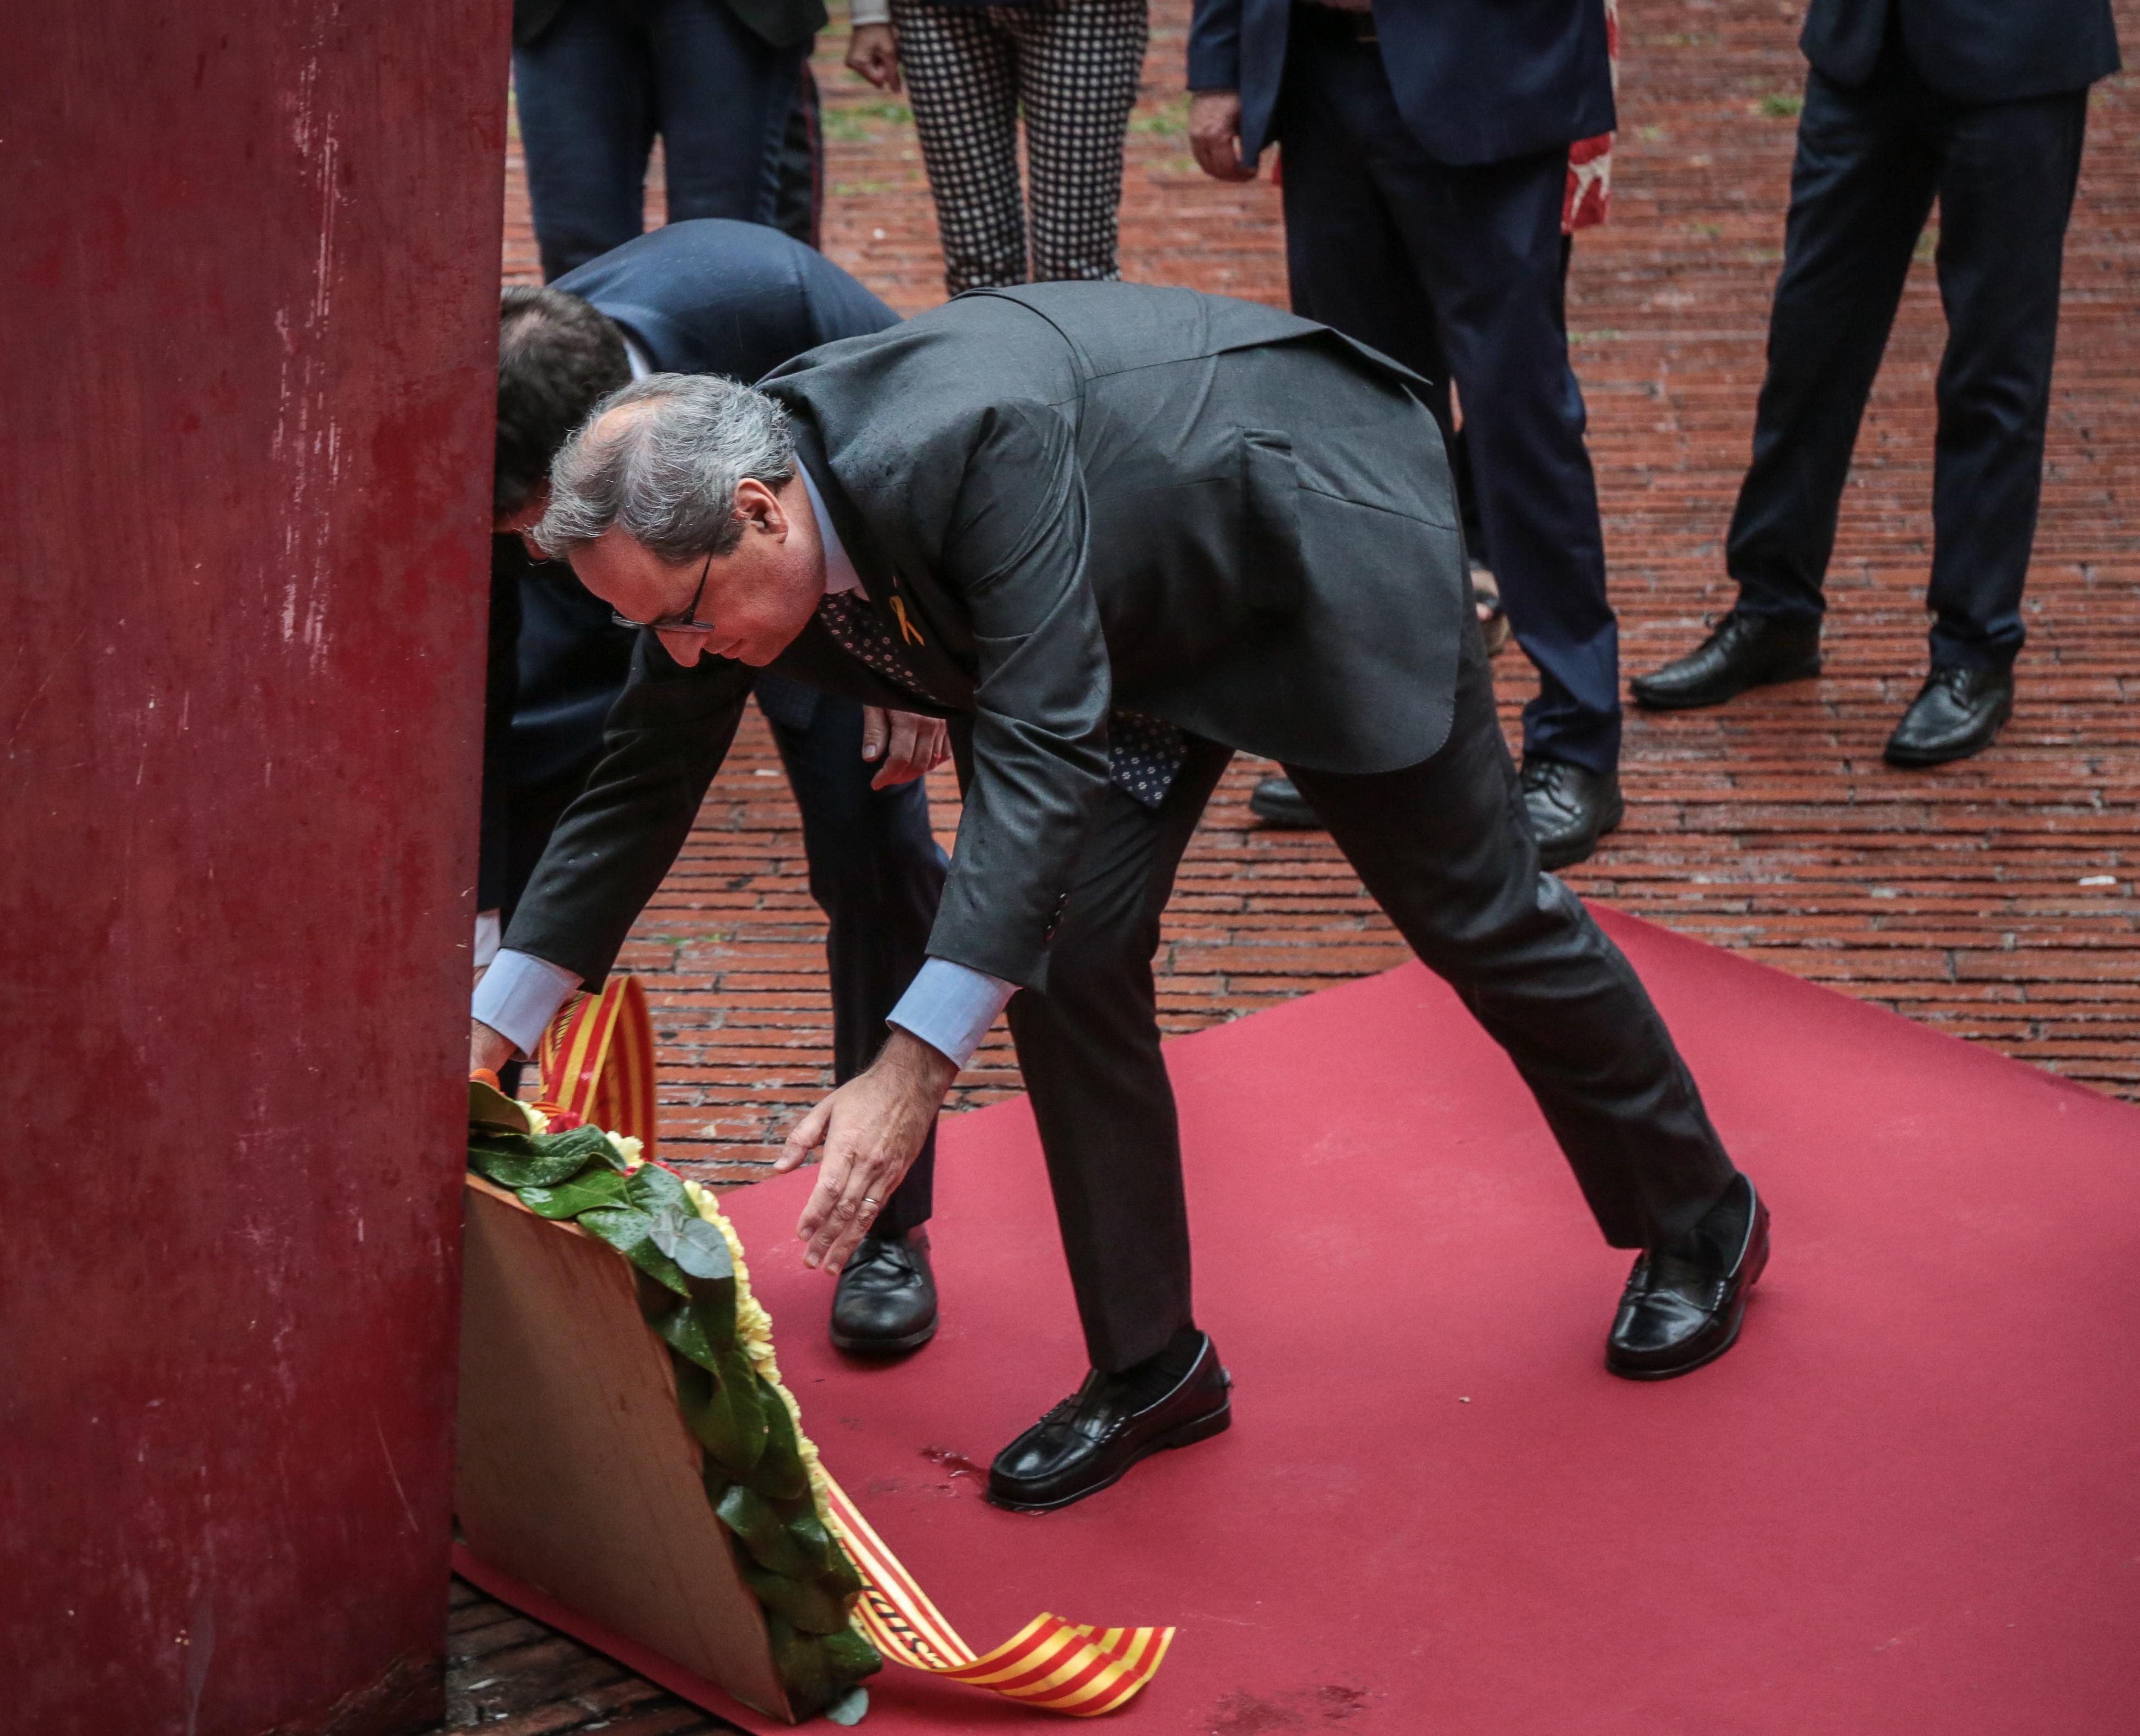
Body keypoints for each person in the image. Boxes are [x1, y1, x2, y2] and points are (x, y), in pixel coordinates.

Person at [474, 282, 1772, 1515]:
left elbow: (1039, 749)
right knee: (1070, 955)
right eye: (658, 633)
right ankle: (1150, 1366)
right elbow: (638, 776)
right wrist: (494, 1026)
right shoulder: (712, 552)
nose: (689, 655)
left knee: (1473, 910)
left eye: (690, 618)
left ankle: (1700, 1214)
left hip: (1298, 541)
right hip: (1107, 612)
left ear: (760, 510)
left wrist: (912, 1061)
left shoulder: (964, 444)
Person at [481, 220, 954, 1356]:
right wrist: (484, 924)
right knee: (546, 839)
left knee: (870, 850)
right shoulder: (504, 388)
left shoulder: (766, 290)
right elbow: (483, 664)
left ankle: (887, 1221)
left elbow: (921, 439)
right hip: (631, 589)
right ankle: (504, 1145)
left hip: (815, 576)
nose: (523, 548)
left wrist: (922, 655)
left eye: (531, 527)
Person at [1185, 0, 1626, 868]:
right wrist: (1219, 62)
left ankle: (1576, 741)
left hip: (1488, 70)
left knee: (1516, 420)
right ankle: (1391, 742)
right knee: (1355, 417)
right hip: (1317, 73)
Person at [1630, 0, 2120, 766]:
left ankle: (1973, 652)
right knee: (1808, 340)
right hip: (1863, 46)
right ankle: (1774, 611)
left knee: (1992, 369)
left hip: (2017, 52)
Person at [843, 0, 1151, 295]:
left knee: (1075, 263)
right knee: (976, 264)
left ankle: (1077, 348)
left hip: (1089, 11)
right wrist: (869, 13)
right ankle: (987, 348)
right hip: (933, 12)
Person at [512, 0, 831, 282]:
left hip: (734, 11)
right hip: (559, 11)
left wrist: (869, 15)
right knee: (579, 256)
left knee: (721, 249)